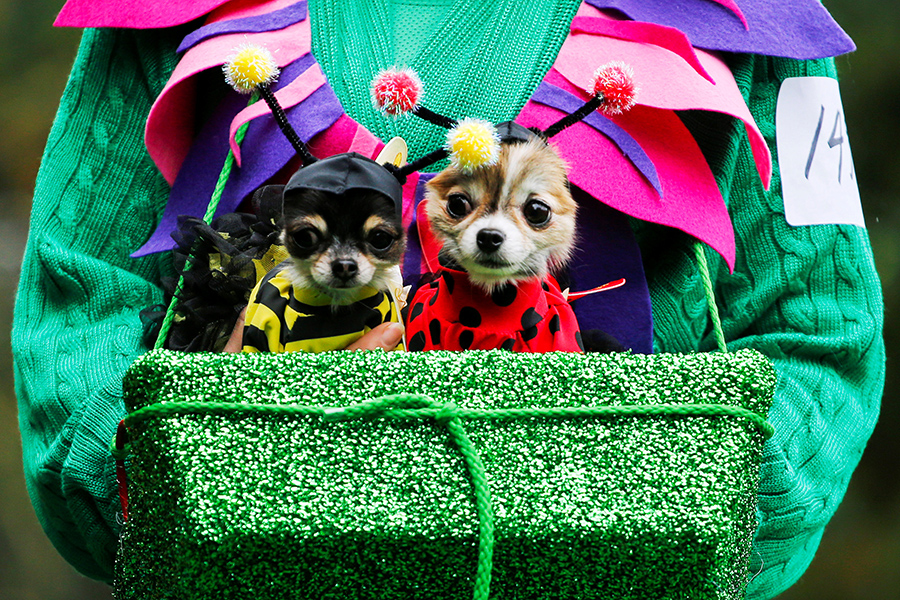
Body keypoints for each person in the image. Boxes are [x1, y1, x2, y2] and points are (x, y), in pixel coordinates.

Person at [13, 1, 884, 598]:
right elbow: (79, 310)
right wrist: (170, 502)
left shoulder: (747, 16)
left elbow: (820, 335)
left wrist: (678, 529)